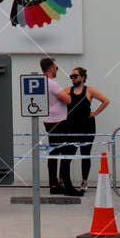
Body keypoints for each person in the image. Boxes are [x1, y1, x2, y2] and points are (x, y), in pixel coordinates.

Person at [63, 66, 109, 191]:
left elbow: (105, 101)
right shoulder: (67, 90)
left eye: (75, 76)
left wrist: (95, 113)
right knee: (69, 154)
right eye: (71, 76)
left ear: (82, 77)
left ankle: (84, 181)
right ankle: (65, 180)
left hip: (86, 126)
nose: (73, 78)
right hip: (71, 126)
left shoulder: (89, 91)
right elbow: (56, 100)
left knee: (85, 154)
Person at [39, 56, 75, 195]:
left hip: (48, 120)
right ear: (51, 68)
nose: (57, 70)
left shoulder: (42, 82)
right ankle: (65, 183)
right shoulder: (52, 83)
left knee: (54, 151)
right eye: (56, 67)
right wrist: (66, 94)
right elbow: (67, 99)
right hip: (58, 120)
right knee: (67, 150)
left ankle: (53, 184)